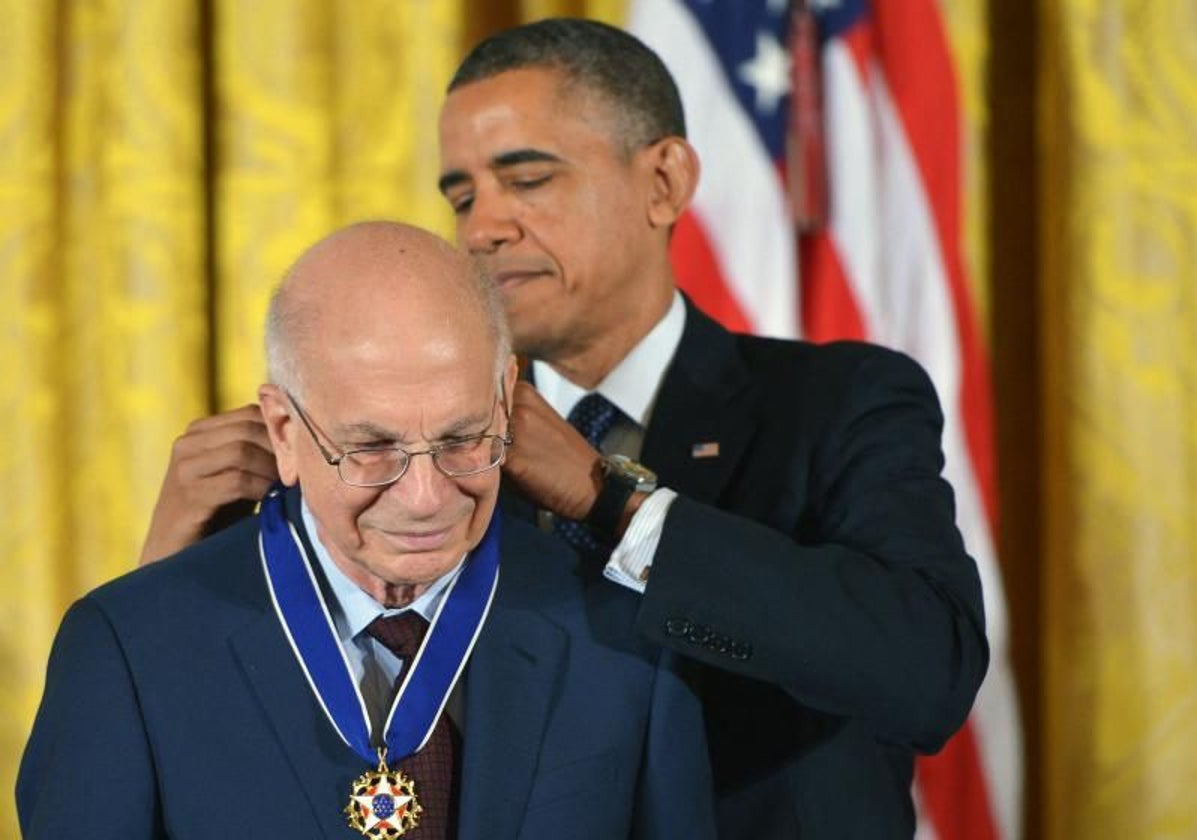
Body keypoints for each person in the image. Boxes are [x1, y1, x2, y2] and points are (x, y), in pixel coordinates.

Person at [136, 19, 989, 838]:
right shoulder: (402, 444)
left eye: (528, 178)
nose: (481, 227)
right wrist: (171, 566)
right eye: (462, 194)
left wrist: (604, 498)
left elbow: (925, 675)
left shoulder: (839, 403)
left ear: (664, 183)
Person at [18, 221, 718, 840]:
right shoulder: (130, 648)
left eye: (463, 439)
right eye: (370, 450)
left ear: (505, 399)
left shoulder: (624, 638)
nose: (424, 497)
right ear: (285, 431)